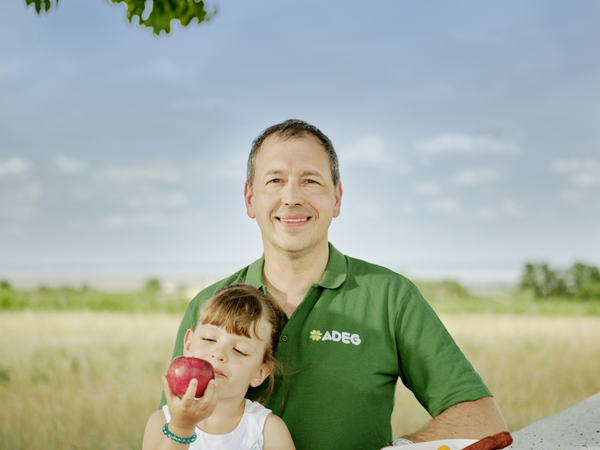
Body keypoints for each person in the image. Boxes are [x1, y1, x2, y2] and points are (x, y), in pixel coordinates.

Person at [161, 119, 508, 450]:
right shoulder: (210, 307)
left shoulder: (391, 297)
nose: (292, 197)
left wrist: (400, 449)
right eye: (275, 181)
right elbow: (172, 425)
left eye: (311, 181)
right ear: (250, 199)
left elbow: (483, 418)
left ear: (337, 198)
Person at [144, 284, 295, 450]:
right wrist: (181, 429)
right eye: (209, 339)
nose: (219, 353)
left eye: (240, 350)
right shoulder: (162, 421)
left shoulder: (267, 429)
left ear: (259, 373)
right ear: (188, 345)